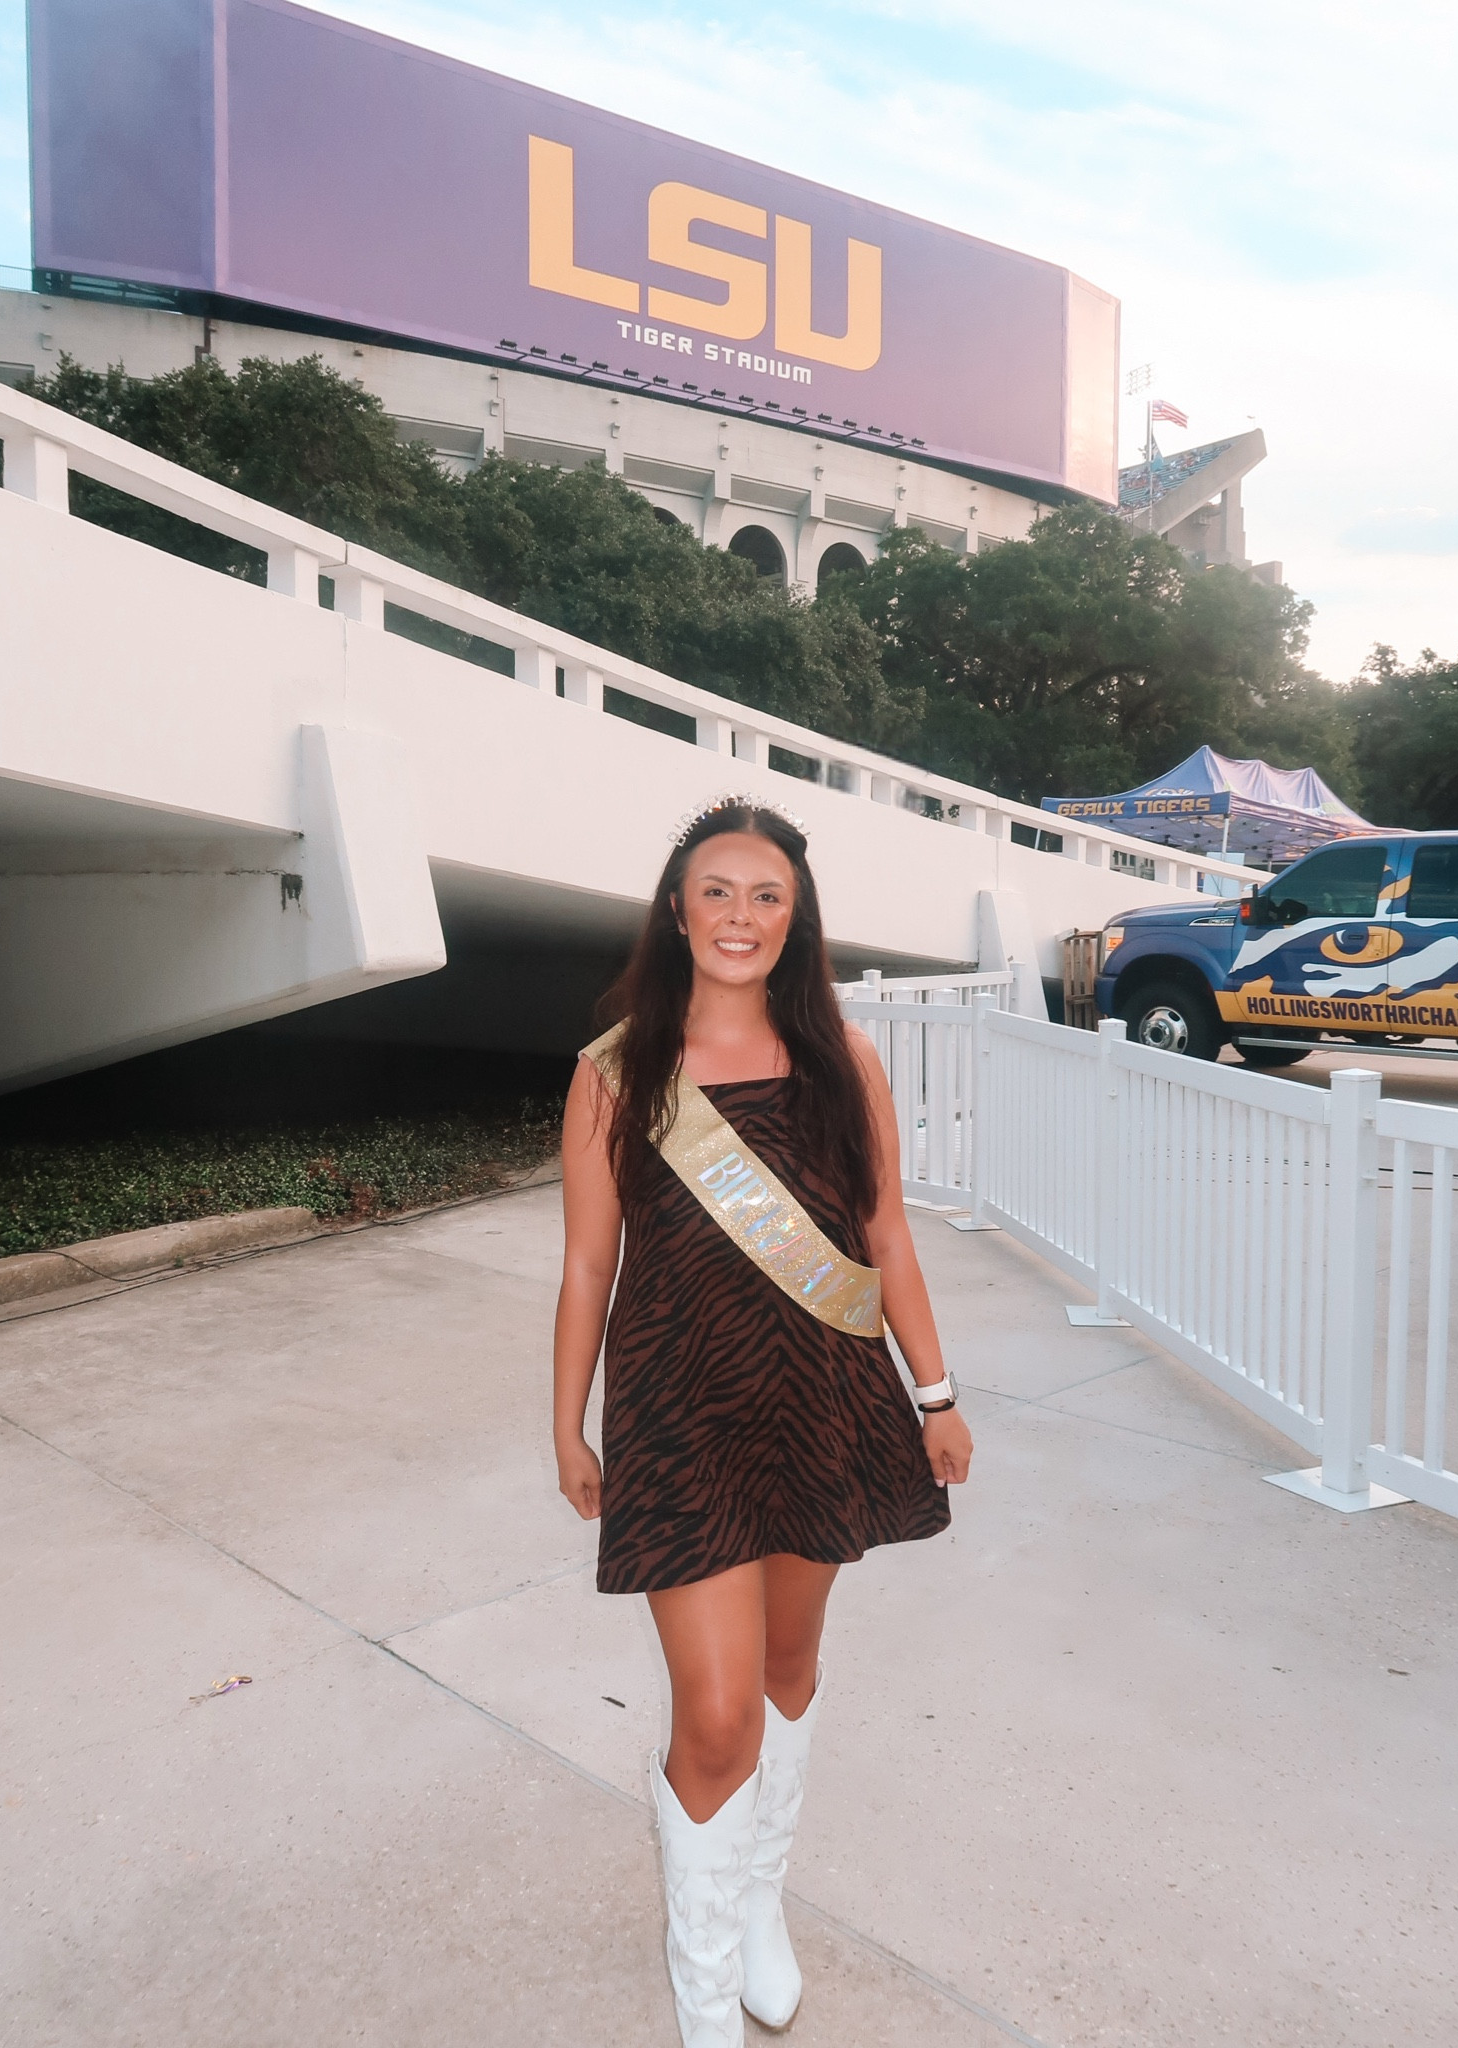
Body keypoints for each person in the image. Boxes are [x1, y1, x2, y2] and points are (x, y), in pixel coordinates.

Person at [552, 796, 973, 2047]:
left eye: (765, 894)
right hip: (679, 1413)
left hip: (823, 1402)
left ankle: (756, 1908)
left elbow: (884, 1232)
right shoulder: (614, 1073)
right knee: (717, 1714)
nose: (739, 914)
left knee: (787, 1670)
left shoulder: (844, 1056)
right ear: (676, 908)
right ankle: (703, 2007)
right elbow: (586, 1266)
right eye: (716, 890)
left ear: (796, 918)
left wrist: (935, 1390)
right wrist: (569, 1427)